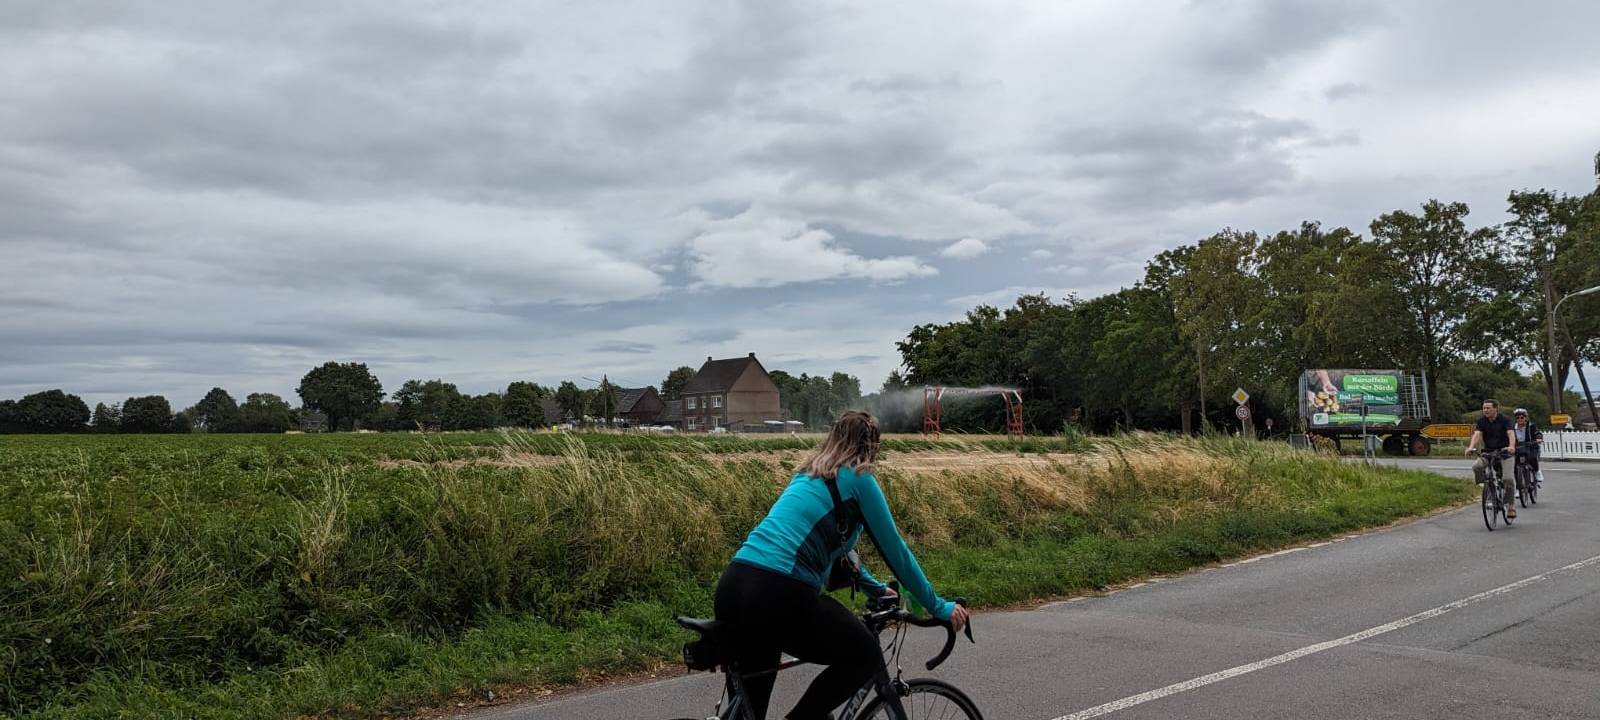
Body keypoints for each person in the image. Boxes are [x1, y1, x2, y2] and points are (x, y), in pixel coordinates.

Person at [713, 410, 967, 719]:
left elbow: (837, 560)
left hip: (735, 585)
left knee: (748, 711)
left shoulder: (806, 476)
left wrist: (876, 589)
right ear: (871, 447)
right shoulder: (860, 478)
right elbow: (897, 553)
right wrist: (938, 606)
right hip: (780, 593)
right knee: (864, 654)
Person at [1466, 399, 1517, 518]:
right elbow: (1477, 434)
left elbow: (1510, 433)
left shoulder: (1504, 420)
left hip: (1504, 453)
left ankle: (1510, 506)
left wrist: (1511, 446)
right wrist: (1471, 447)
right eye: (1484, 408)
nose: (1485, 410)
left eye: (1488, 408)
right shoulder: (1482, 421)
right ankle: (1486, 487)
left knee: (1508, 479)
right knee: (1477, 466)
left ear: (1495, 409)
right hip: (1488, 452)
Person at [1511, 408, 1545, 485]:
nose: (1520, 419)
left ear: (1525, 417)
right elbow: (1508, 436)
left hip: (1531, 446)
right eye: (1517, 418)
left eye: (1522, 417)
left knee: (1532, 458)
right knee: (1516, 467)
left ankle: (1537, 471)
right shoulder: (1512, 428)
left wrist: (1538, 438)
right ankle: (1518, 488)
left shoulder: (1531, 426)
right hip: (1518, 448)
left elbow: (1537, 433)